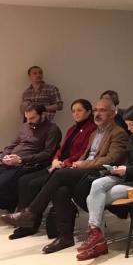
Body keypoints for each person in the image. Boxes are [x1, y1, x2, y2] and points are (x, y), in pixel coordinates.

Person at [1, 97, 128, 253]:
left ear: (113, 113)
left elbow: (112, 159)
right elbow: (82, 155)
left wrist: (81, 164)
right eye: (96, 110)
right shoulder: (95, 133)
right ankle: (65, 237)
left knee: (59, 175)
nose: (97, 114)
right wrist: (75, 164)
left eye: (103, 110)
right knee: (61, 190)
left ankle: (31, 213)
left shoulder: (118, 133)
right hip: (84, 172)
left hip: (99, 174)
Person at [77, 104, 133, 259]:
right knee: (96, 184)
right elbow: (131, 163)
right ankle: (96, 235)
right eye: (127, 125)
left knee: (92, 198)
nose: (129, 128)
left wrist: (127, 170)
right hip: (128, 177)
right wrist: (119, 169)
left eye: (132, 125)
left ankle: (98, 241)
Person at [10, 99, 95, 239]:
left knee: (33, 183)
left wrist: (65, 162)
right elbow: (61, 149)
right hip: (58, 165)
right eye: (73, 111)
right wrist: (56, 159)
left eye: (79, 110)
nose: (76, 113)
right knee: (24, 180)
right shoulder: (72, 129)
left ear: (88, 112)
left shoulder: (91, 129)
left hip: (71, 167)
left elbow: (84, 152)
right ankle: (26, 224)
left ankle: (28, 220)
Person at [0, 103, 62, 212]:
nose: (29, 121)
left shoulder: (52, 129)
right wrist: (4, 157)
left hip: (29, 164)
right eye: (27, 118)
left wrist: (21, 160)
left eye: (32, 118)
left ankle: (8, 207)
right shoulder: (25, 126)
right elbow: (12, 145)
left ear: (43, 115)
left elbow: (47, 153)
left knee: (3, 182)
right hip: (11, 161)